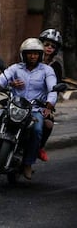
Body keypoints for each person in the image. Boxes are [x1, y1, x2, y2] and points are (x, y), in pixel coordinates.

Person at [0, 38, 58, 180]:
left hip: (34, 109)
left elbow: (53, 89)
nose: (33, 56)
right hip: (15, 106)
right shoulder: (16, 68)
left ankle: (28, 163)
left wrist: (49, 103)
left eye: (36, 54)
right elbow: (2, 78)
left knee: (37, 129)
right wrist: (1, 83)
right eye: (30, 53)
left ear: (40, 55)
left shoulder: (47, 70)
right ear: (24, 54)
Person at [38, 29, 63, 161]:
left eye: (52, 46)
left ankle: (39, 147)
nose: (49, 48)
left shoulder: (55, 66)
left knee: (48, 123)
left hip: (42, 101)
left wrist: (50, 105)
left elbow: (56, 88)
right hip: (23, 97)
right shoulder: (30, 58)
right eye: (46, 44)